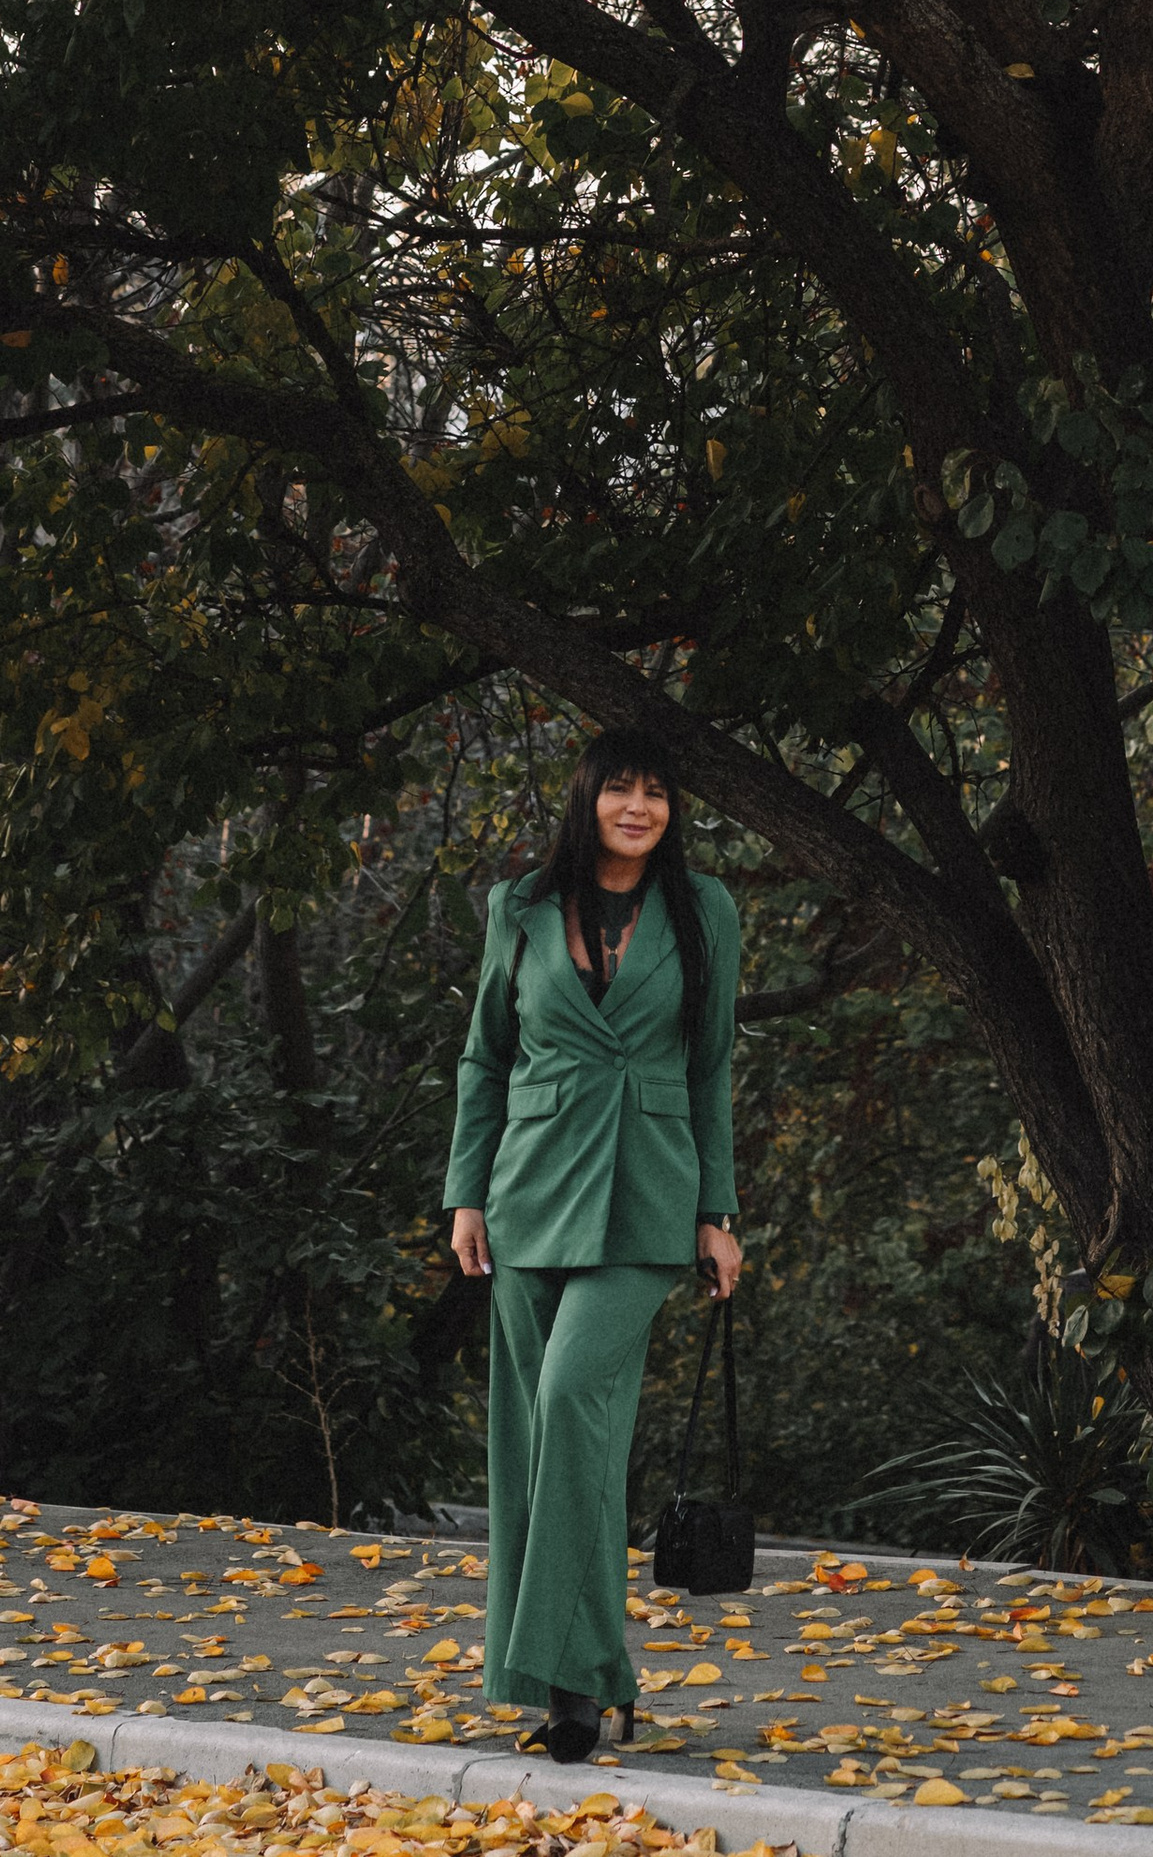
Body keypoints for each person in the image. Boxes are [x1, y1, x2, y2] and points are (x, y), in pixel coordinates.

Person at [444, 727, 742, 1763]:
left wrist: (718, 1210)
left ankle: (576, 1682)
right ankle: (578, 1679)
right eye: (620, 786)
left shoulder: (706, 912)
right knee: (536, 1437)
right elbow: (485, 1056)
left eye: (656, 789)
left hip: (648, 1200)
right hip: (528, 1194)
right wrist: (464, 1194)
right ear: (588, 799)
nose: (638, 804)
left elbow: (710, 1068)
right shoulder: (518, 907)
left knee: (573, 1399)